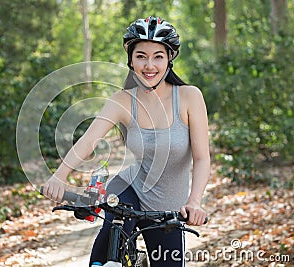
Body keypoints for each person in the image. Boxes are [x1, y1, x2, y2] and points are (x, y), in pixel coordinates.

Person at [42, 16, 210, 266]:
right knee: (107, 252)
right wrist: (60, 175)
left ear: (169, 59)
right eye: (141, 56)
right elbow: (88, 141)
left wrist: (194, 201)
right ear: (131, 60)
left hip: (169, 210)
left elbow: (201, 157)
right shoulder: (122, 100)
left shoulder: (188, 97)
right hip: (128, 191)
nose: (149, 65)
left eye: (158, 56)